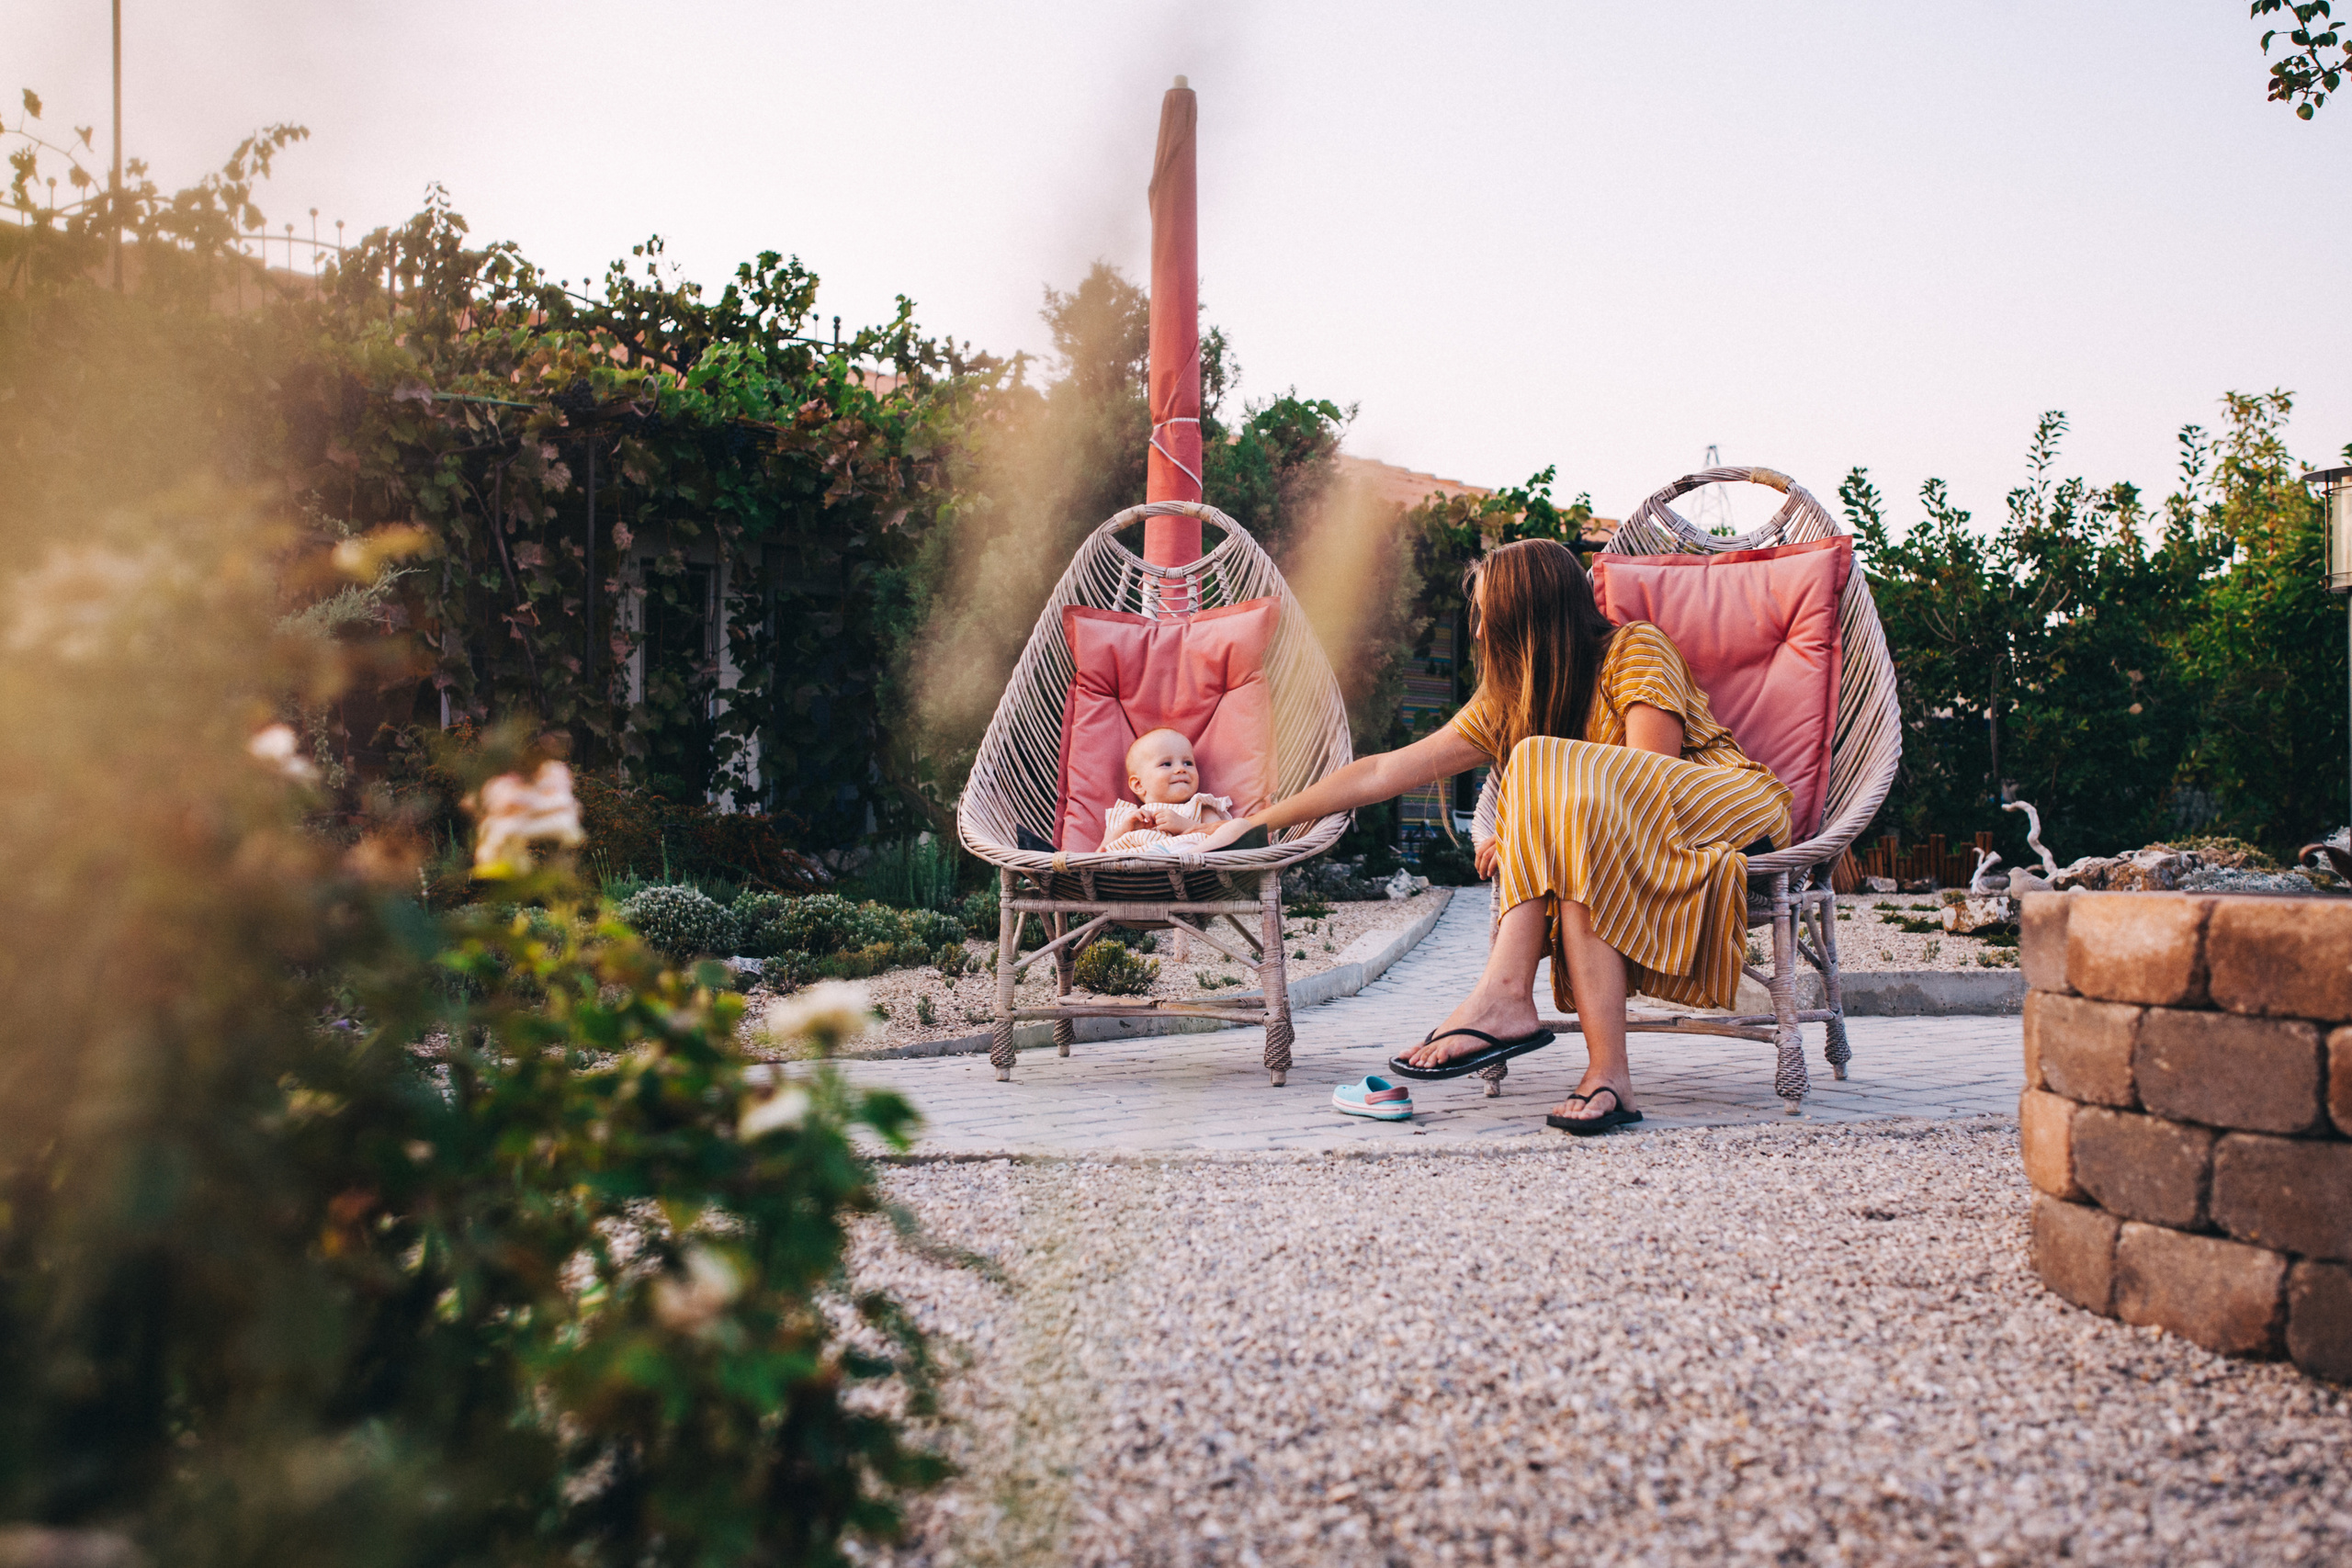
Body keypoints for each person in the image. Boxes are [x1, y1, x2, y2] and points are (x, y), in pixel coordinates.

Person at [1195, 538, 1791, 1132]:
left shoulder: (1635, 647)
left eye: (1487, 613)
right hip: (1606, 841)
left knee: (1543, 779)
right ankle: (1609, 1077)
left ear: (1530, 609)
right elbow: (1383, 770)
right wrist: (1259, 822)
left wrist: (1535, 830)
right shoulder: (1510, 700)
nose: (1477, 632)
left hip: (1728, 812)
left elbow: (1646, 781)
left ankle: (1505, 992)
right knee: (1569, 842)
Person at [1102, 728, 1234, 852]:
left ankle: (1162, 856)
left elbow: (1227, 839)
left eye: (1188, 763)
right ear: (1139, 785)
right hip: (1130, 870)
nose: (1181, 769)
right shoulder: (1124, 816)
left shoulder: (1200, 808)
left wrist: (1186, 825)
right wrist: (1124, 829)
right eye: (1166, 764)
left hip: (1182, 866)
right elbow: (1099, 854)